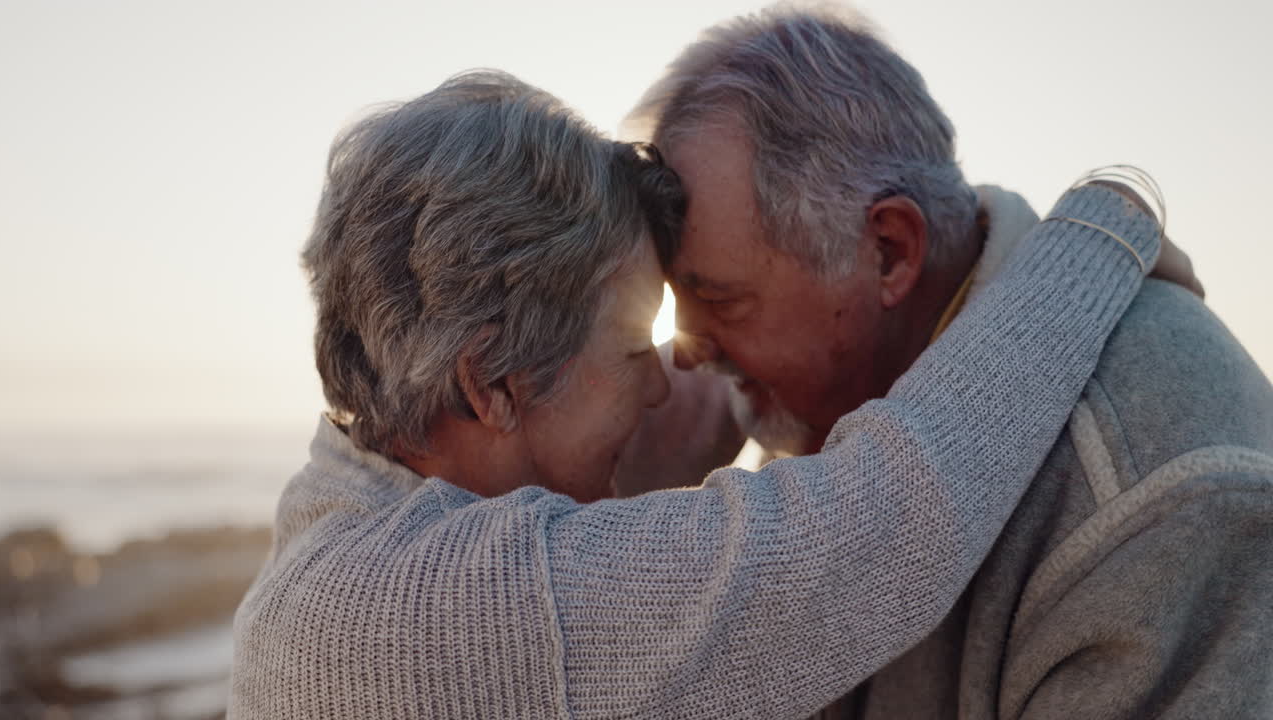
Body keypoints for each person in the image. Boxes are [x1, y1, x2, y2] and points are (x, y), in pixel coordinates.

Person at [228, 69, 1164, 719]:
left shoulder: (346, 512)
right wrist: (1103, 226)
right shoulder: (444, 614)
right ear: (492, 382)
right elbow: (891, 527)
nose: (665, 378)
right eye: (635, 343)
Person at [622, 6, 1273, 719]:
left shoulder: (1154, 502)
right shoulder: (812, 392)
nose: (685, 347)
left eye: (719, 297)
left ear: (890, 251)